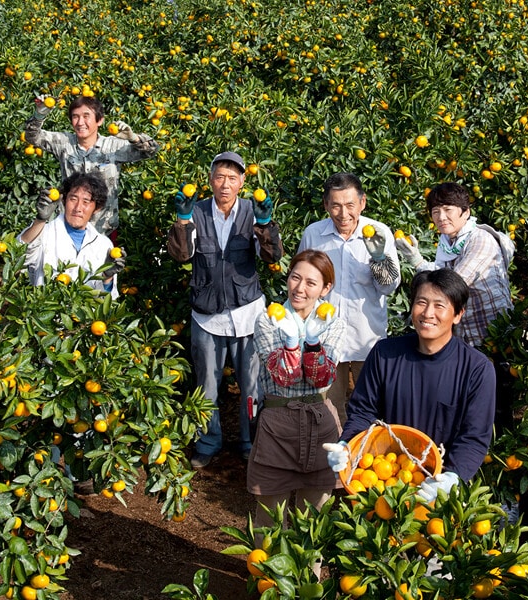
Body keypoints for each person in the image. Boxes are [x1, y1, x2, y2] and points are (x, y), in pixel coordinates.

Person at [324, 269, 496, 502]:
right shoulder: (385, 354)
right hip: (386, 480)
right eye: (421, 302)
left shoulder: (476, 369)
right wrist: (348, 443)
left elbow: (474, 437)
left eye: (439, 305)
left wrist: (452, 477)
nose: (428, 313)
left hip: (439, 488)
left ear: (458, 314)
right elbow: (363, 411)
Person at [167, 151, 284, 468]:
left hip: (247, 314)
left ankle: (251, 441)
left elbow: (272, 257)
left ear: (242, 182)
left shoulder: (251, 211)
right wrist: (182, 221)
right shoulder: (197, 211)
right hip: (207, 316)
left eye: (233, 178)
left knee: (252, 386)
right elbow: (182, 255)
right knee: (206, 386)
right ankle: (208, 441)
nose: (226, 184)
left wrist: (265, 224)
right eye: (220, 176)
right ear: (210, 180)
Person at [247, 250, 346, 530]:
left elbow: (321, 378)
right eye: (295, 278)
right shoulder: (268, 320)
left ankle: (306, 564)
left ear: (326, 288)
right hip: (277, 425)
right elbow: (284, 378)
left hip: (320, 422)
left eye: (311, 283)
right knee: (270, 522)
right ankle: (266, 562)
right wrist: (292, 341)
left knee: (313, 522)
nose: (299, 288)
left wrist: (312, 341)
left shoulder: (334, 323)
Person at [297, 172, 401, 425]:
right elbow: (301, 283)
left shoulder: (378, 233)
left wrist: (379, 259)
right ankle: (335, 448)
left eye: (350, 205)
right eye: (336, 205)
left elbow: (389, 287)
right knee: (328, 409)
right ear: (326, 205)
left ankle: (367, 447)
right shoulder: (314, 234)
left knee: (372, 407)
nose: (343, 214)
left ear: (362, 203)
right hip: (326, 339)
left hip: (366, 338)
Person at [395, 182, 513, 348]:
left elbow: (453, 283)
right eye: (436, 212)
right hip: (465, 336)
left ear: (466, 212)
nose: (441, 217)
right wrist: (417, 260)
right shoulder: (446, 244)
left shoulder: (481, 240)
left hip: (493, 334)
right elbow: (441, 275)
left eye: (448, 210)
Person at [25, 94, 159, 238]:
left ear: (99, 120)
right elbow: (32, 137)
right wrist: (40, 114)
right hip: (69, 228)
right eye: (75, 117)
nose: (80, 122)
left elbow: (152, 150)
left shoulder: (113, 146)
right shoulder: (64, 143)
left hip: (104, 229)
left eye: (86, 116)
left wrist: (133, 138)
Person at [18, 172, 125, 298]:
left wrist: (107, 277)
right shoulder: (44, 233)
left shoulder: (104, 245)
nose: (78, 208)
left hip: (85, 311)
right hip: (46, 308)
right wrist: (40, 220)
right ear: (64, 200)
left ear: (97, 208)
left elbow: (107, 300)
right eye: (73, 199)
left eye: (86, 202)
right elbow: (18, 257)